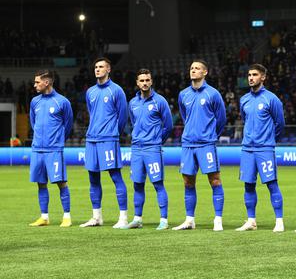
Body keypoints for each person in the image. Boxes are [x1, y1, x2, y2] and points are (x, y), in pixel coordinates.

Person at [173, 60, 227, 231]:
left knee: (215, 180)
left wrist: (210, 136)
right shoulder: (183, 95)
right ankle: (189, 220)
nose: (193, 70)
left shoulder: (213, 94)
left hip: (206, 144)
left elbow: (222, 119)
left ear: (205, 72)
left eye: (197, 68)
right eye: (191, 68)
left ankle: (217, 219)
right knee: (188, 182)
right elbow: (185, 116)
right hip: (188, 144)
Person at [235, 64, 286, 232]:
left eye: (254, 75)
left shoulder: (272, 99)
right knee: (248, 185)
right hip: (247, 149)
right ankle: (251, 220)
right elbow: (245, 119)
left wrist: (269, 139)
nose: (251, 78)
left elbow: (280, 123)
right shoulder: (244, 100)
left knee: (272, 184)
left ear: (263, 77)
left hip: (265, 149)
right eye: (249, 75)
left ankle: (279, 221)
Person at [80, 58, 129, 228]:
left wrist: (113, 133)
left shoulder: (117, 91)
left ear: (108, 69)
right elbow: (92, 113)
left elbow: (123, 116)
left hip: (108, 139)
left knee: (115, 176)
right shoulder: (90, 92)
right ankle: (97, 217)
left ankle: (123, 217)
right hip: (91, 139)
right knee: (93, 178)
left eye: (101, 67)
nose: (97, 69)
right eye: (95, 67)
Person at [124, 69, 173, 230]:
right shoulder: (133, 103)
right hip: (137, 149)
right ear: (137, 83)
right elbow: (133, 123)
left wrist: (157, 141)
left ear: (151, 82)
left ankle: (164, 220)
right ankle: (137, 219)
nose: (144, 83)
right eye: (141, 80)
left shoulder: (160, 101)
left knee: (157, 184)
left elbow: (168, 125)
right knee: (137, 184)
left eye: (147, 80)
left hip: (152, 149)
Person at [28, 69, 73, 227]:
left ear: (46, 82)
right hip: (37, 149)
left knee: (61, 182)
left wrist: (57, 140)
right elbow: (33, 123)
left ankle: (66, 216)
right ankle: (44, 217)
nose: (35, 85)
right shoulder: (35, 102)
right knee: (41, 183)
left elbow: (68, 126)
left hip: (54, 149)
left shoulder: (62, 102)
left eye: (37, 82)